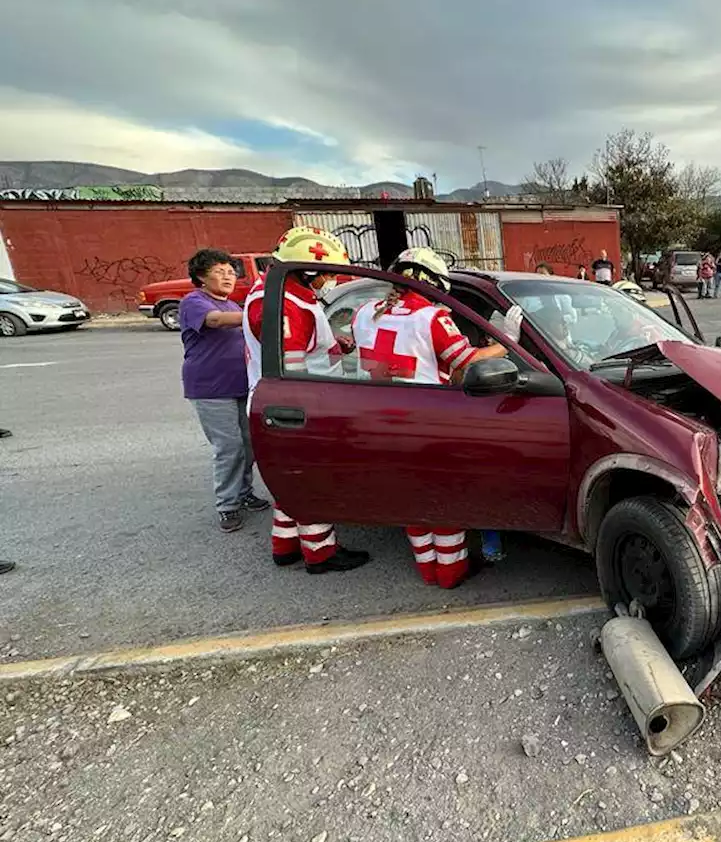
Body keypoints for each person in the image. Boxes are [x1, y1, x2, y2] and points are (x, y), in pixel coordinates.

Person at [351, 247, 509, 588]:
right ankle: (450, 573)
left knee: (411, 501)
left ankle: (427, 569)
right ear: (429, 283)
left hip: (376, 422)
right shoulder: (431, 317)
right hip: (425, 424)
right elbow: (466, 360)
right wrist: (506, 342)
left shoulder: (364, 313)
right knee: (444, 501)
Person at [243, 226, 370, 575]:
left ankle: (284, 545)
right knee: (313, 480)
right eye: (326, 274)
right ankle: (320, 553)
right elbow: (291, 369)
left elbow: (302, 346)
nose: (328, 281)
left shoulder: (278, 292)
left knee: (291, 480)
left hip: (287, 404)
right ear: (308, 269)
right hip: (298, 406)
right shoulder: (284, 306)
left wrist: (333, 343)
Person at [179, 248, 270, 533]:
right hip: (210, 388)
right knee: (228, 447)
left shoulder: (233, 305)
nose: (228, 277)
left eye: (231, 272)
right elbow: (215, 321)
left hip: (241, 384)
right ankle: (227, 505)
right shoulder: (194, 301)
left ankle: (243, 493)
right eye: (219, 272)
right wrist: (256, 314)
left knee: (248, 444)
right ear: (201, 277)